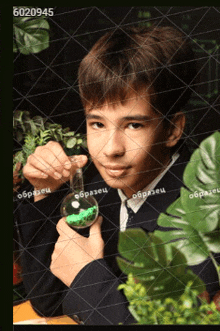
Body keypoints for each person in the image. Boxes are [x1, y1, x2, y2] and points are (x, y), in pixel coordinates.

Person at [15, 25, 220, 325]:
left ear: (173, 129)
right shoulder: (98, 185)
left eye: (134, 125)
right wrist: (44, 193)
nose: (111, 150)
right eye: (97, 124)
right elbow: (49, 300)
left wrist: (86, 275)